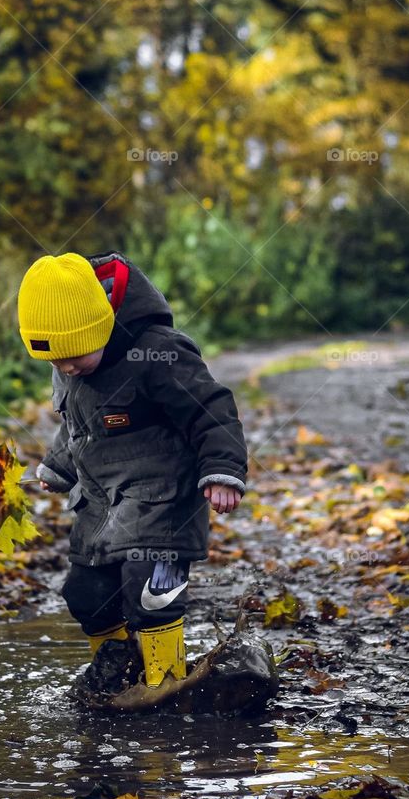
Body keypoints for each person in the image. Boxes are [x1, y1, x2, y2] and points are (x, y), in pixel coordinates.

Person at [17, 250, 248, 704]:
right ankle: (115, 674)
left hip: (160, 498)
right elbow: (77, 426)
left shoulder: (157, 351)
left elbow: (210, 410)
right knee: (86, 593)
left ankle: (165, 679)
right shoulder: (70, 361)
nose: (65, 368)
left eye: (74, 356)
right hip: (101, 503)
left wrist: (222, 470)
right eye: (54, 360)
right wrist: (57, 466)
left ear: (99, 326)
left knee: (149, 590)